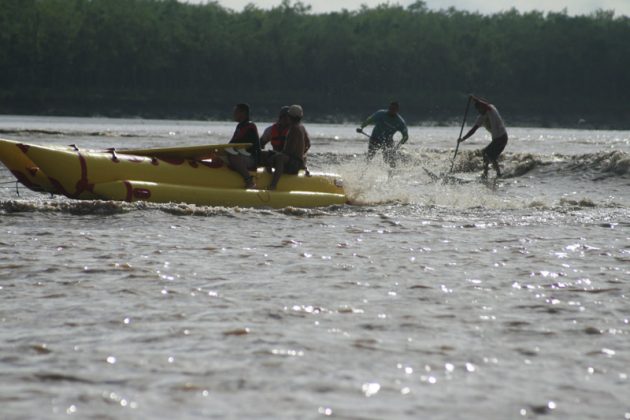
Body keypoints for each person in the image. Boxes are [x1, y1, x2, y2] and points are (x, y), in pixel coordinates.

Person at [458, 96, 508, 178]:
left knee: (486, 153)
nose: (479, 111)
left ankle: (486, 173)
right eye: (478, 110)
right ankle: (497, 174)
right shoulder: (481, 118)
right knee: (491, 156)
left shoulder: (491, 109)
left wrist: (473, 99)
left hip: (502, 137)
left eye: (480, 108)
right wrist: (463, 138)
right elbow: (473, 130)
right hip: (496, 139)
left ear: (483, 106)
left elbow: (486, 105)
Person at [267, 105, 309, 191]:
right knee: (271, 155)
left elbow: (287, 152)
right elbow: (308, 144)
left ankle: (273, 185)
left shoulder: (294, 129)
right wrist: (301, 155)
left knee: (279, 158)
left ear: (289, 117)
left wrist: (274, 156)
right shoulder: (302, 127)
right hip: (297, 161)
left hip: (295, 164)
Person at [356, 101, 409, 167]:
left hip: (387, 142)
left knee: (390, 161)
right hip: (375, 139)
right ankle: (363, 172)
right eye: (390, 108)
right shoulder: (380, 114)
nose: (391, 110)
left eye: (393, 109)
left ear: (397, 110)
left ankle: (392, 175)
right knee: (370, 157)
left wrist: (396, 147)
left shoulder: (400, 122)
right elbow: (369, 120)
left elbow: (405, 137)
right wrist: (361, 127)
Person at [226, 103, 260, 189]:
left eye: (236, 112)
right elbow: (232, 143)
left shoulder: (250, 126)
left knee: (233, 156)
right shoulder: (239, 126)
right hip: (243, 156)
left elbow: (235, 143)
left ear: (243, 113)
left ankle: (249, 181)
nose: (233, 114)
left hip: (252, 159)